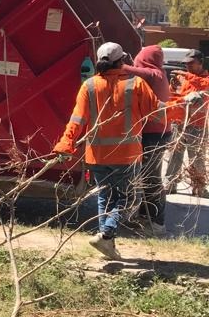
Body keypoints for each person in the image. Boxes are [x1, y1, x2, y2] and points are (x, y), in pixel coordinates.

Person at [53, 41, 160, 260]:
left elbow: (77, 120)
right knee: (127, 198)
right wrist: (184, 103)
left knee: (106, 196)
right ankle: (106, 234)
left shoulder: (89, 86)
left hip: (97, 154)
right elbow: (157, 111)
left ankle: (107, 245)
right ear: (122, 61)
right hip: (126, 154)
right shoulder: (136, 84)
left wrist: (66, 143)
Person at [122, 45, 171, 234]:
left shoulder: (153, 74)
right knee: (146, 176)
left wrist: (114, 62)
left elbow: (128, 70)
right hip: (155, 132)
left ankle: (157, 223)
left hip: (154, 134)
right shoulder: (157, 74)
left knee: (150, 177)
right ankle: (145, 217)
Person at [165, 50, 209, 198]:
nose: (188, 66)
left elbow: (205, 86)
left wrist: (186, 76)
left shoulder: (205, 79)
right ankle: (170, 184)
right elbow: (174, 96)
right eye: (186, 64)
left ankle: (199, 188)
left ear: (201, 62)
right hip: (179, 123)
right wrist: (172, 86)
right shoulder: (183, 78)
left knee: (197, 158)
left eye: (191, 63)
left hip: (197, 125)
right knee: (174, 156)